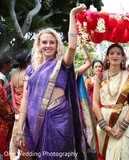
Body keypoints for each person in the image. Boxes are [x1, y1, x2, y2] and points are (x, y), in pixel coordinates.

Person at [15, 4, 90, 160]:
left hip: (61, 120)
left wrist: (72, 14)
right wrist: (20, 130)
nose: (48, 45)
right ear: (39, 45)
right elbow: (25, 100)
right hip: (36, 122)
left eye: (52, 42)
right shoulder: (31, 70)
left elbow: (72, 46)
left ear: (57, 46)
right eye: (44, 42)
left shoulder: (62, 64)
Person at [92, 43, 129, 160]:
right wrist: (104, 126)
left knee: (124, 154)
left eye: (118, 53)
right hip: (105, 123)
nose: (115, 55)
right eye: (112, 53)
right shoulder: (100, 77)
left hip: (124, 120)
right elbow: (95, 104)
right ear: (107, 57)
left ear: (123, 57)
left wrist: (123, 127)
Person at [9, 51, 31, 159]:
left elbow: (13, 95)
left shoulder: (14, 76)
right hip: (26, 113)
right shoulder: (28, 75)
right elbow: (27, 97)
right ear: (28, 62)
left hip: (17, 114)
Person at [0, 53, 14, 160]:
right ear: (5, 66)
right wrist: (7, 115)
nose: (12, 66)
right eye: (10, 64)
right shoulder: (1, 78)